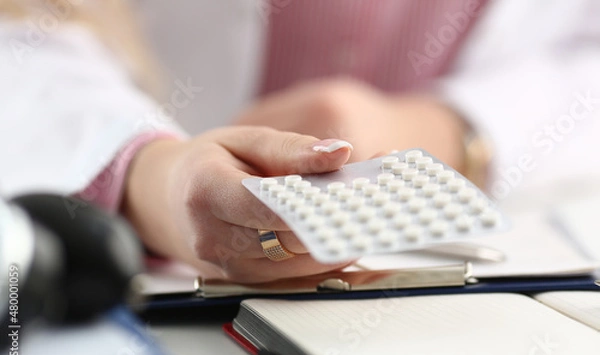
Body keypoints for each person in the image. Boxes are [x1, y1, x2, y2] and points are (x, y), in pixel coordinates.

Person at [1, 0, 599, 283]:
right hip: (153, 276)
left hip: (514, 246)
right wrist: (152, 175)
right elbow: (25, 24)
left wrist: (449, 129)